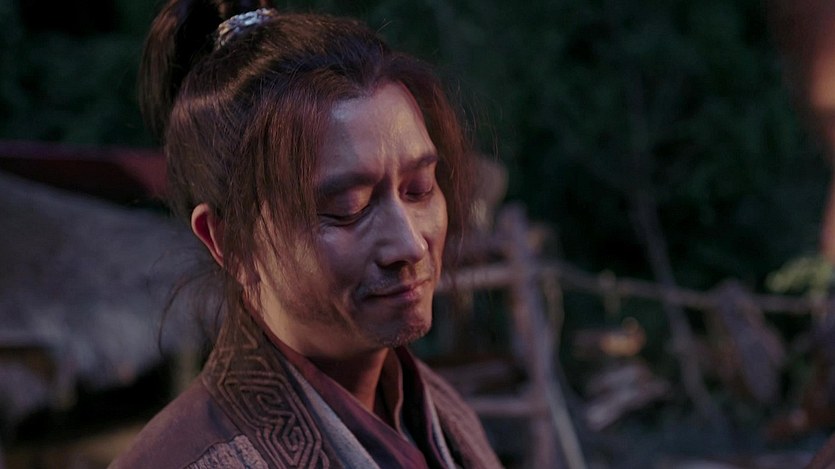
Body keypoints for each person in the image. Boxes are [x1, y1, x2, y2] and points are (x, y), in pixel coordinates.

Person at [109, 1, 502, 467]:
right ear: (228, 242)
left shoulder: (443, 413)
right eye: (348, 209)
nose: (410, 244)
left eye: (419, 189)